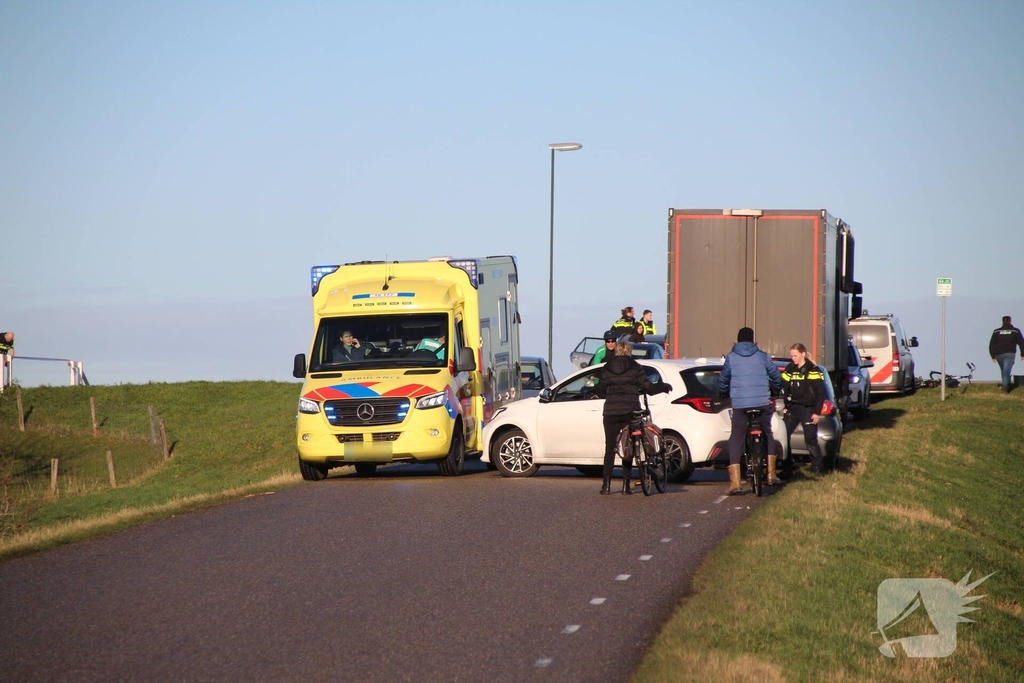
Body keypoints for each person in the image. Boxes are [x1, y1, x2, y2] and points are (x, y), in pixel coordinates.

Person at [594, 340, 671, 495]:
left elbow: (601, 392)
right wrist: (663, 387)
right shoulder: (636, 367)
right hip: (630, 412)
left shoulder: (606, 368)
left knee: (610, 448)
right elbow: (649, 388)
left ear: (616, 351)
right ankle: (625, 486)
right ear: (629, 351)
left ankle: (606, 485)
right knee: (628, 447)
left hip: (611, 413)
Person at [718, 327, 782, 495]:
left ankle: (735, 483)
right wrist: (777, 387)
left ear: (738, 341)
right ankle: (771, 474)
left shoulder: (731, 358)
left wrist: (723, 391)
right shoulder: (763, 356)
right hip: (762, 402)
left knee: (736, 437)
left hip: (740, 404)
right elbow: (776, 376)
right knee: (767, 432)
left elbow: (723, 379)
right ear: (753, 340)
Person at [781, 343, 826, 478]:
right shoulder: (790, 369)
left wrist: (817, 412)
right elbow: (783, 387)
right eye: (791, 356)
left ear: (803, 354)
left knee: (810, 439)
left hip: (808, 408)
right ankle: (787, 468)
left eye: (795, 356)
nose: (793, 358)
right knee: (784, 435)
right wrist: (786, 405)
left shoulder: (813, 370)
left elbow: (820, 393)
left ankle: (817, 467)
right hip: (793, 407)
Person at [989, 316, 1024, 393]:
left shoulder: (996, 331)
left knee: (1004, 370)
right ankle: (1005, 386)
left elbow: (992, 344)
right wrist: (1022, 354)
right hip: (1009, 354)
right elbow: (1021, 343)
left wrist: (992, 355)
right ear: (1010, 321)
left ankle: (1005, 385)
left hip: (999, 355)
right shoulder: (1015, 331)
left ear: (1002, 322)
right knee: (1006, 370)